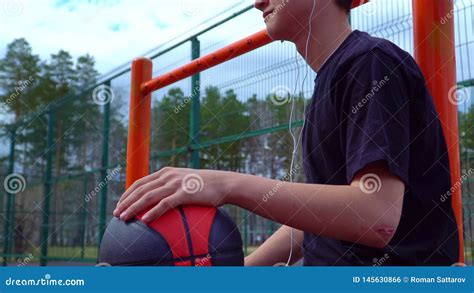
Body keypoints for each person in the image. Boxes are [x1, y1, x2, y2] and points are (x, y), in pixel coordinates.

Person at [113, 0, 459, 266]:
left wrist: (227, 184)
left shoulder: (371, 62)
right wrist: (244, 272)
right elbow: (318, 221)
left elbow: (376, 217)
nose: (257, 2)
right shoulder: (336, 76)